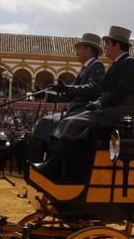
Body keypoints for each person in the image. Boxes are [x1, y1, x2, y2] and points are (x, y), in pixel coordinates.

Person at [39, 26, 134, 180]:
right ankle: (57, 165)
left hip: (119, 112)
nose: (105, 47)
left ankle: (52, 165)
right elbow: (103, 91)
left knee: (72, 122)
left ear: (117, 45)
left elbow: (120, 92)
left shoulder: (129, 64)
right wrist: (97, 101)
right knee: (69, 121)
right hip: (110, 109)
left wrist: (99, 103)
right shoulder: (115, 65)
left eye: (107, 43)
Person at [28, 32, 105, 164]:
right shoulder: (85, 69)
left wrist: (69, 88)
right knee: (43, 123)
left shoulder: (97, 66)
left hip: (82, 111)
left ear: (89, 49)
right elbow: (69, 95)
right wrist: (44, 94)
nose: (77, 51)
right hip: (76, 111)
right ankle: (37, 161)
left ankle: (48, 162)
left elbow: (92, 88)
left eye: (80, 48)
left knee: (46, 123)